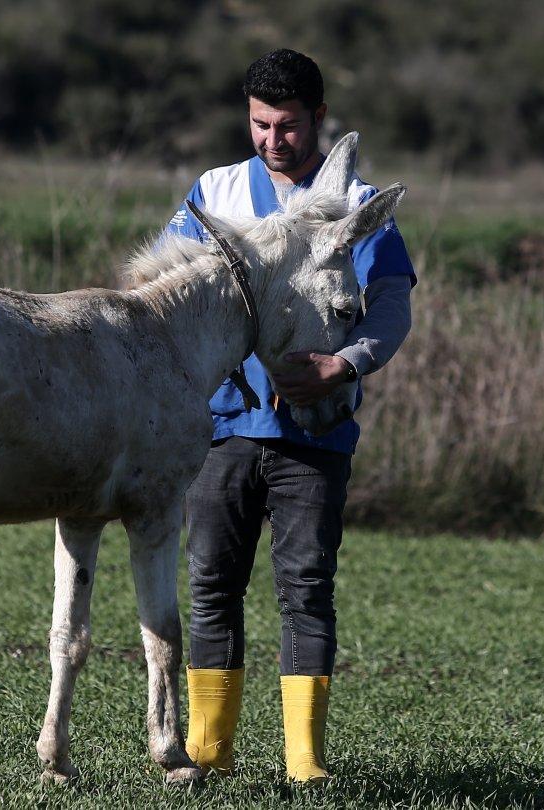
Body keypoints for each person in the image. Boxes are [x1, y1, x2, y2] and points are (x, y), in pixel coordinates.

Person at [165, 48, 416, 783]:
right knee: (211, 584)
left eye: (289, 126)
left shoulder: (357, 202)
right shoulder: (213, 193)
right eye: (260, 124)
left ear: (320, 118)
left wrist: (347, 363)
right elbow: (169, 296)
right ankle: (208, 757)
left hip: (316, 434)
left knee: (306, 590)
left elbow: (393, 305)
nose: (274, 140)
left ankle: (306, 764)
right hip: (219, 431)